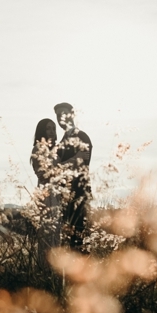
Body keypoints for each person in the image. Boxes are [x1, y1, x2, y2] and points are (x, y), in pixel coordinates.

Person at [53, 102, 92, 251]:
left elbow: (82, 164)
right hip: (63, 195)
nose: (60, 117)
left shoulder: (82, 136)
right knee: (67, 238)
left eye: (63, 113)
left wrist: (60, 168)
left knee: (79, 235)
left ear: (72, 115)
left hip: (78, 193)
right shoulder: (60, 142)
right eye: (57, 115)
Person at [30, 118, 61, 256]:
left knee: (56, 231)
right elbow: (43, 174)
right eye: (48, 128)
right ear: (42, 130)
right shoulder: (38, 148)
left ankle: (55, 269)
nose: (52, 131)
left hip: (57, 194)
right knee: (47, 230)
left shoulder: (56, 150)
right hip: (46, 194)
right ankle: (44, 267)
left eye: (54, 128)